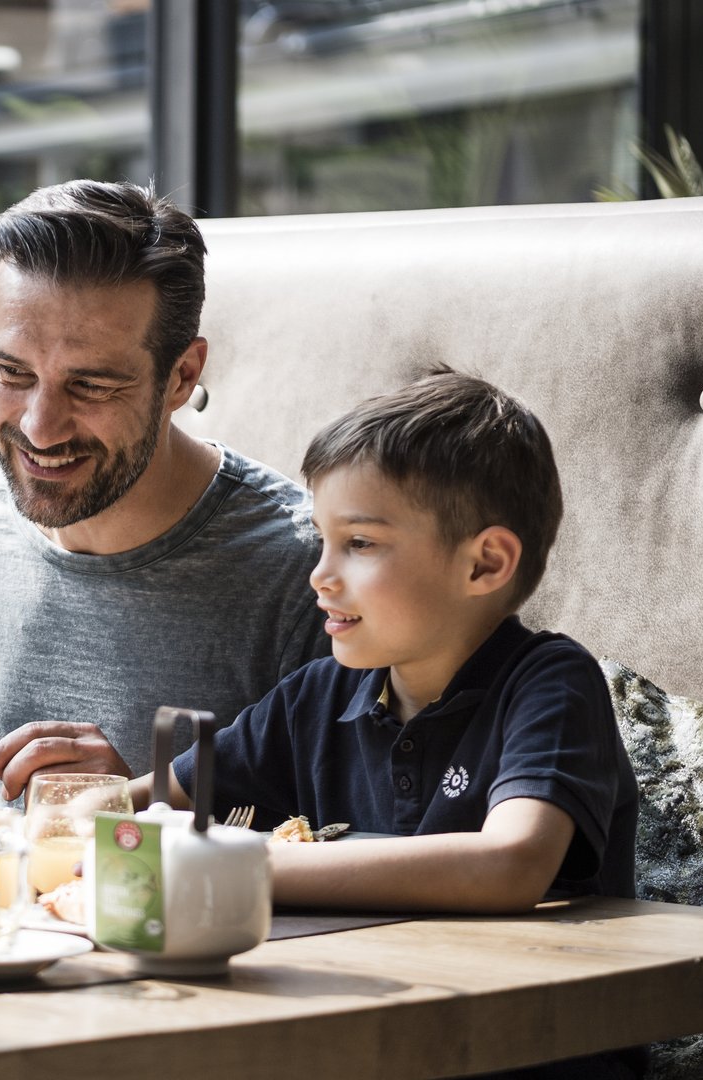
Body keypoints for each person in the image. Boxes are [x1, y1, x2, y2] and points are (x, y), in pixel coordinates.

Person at [127, 371, 642, 1079]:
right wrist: (71, 820)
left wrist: (246, 867)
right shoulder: (319, 694)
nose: (320, 574)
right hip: (373, 1029)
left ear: (485, 563)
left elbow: (510, 865)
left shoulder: (548, 682)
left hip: (530, 1045)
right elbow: (146, 799)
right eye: (321, 540)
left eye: (360, 544)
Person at [0, 180, 326, 804]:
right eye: (11, 373)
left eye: (91, 386)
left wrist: (138, 805)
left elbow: (339, 828)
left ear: (182, 376)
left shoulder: (306, 568)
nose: (38, 427)